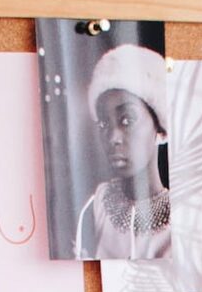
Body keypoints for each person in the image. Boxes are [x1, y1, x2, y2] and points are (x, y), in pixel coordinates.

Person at [72, 44, 171, 264]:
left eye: (127, 120)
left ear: (160, 127)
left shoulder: (183, 221)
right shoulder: (95, 206)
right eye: (104, 123)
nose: (112, 137)